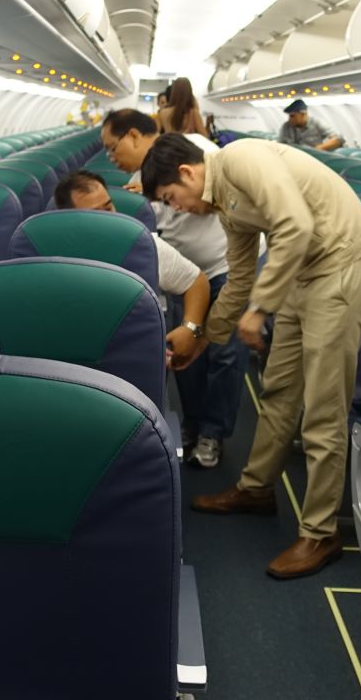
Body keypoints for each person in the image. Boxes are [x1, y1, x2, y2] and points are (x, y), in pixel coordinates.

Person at [141, 135, 361, 579]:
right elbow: (238, 279)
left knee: (323, 409)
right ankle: (256, 489)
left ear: (187, 173)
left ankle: (320, 532)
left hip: (341, 265)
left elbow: (295, 225)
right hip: (302, 272)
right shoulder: (224, 203)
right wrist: (202, 339)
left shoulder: (242, 159)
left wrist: (259, 309)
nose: (175, 209)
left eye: (170, 198)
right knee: (277, 390)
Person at [101, 109, 247, 468]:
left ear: (134, 135)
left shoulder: (195, 151)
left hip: (226, 266)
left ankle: (214, 431)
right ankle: (193, 424)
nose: (111, 157)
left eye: (112, 147)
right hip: (185, 276)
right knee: (185, 352)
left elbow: (221, 201)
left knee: (225, 356)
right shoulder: (136, 181)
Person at [53, 169, 212, 381]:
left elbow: (196, 281)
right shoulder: (52, 257)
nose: (111, 217)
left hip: (134, 356)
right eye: (96, 213)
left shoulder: (143, 246)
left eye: (109, 206)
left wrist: (190, 328)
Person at [277, 99, 342, 151]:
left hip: (313, 158)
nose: (290, 119)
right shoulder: (286, 126)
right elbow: (280, 144)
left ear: (303, 114)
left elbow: (338, 139)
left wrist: (318, 149)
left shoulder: (317, 123)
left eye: (292, 116)